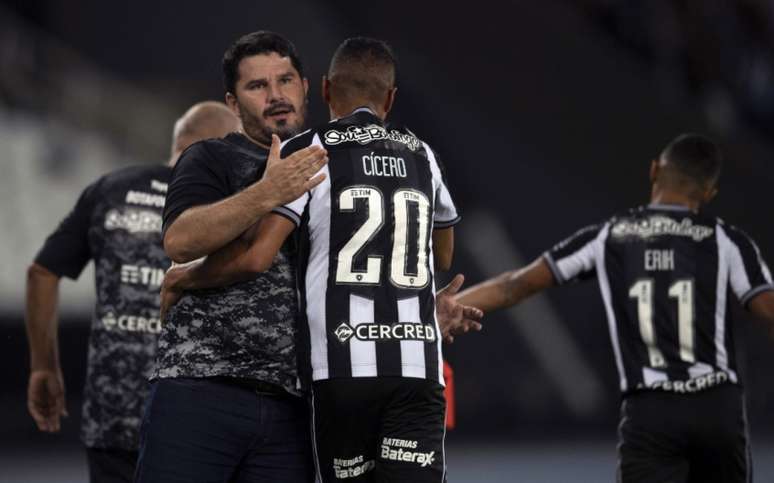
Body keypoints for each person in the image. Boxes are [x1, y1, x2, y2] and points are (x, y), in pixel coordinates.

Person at [140, 31, 480, 483]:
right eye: (257, 86)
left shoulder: (323, 156)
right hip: (203, 387)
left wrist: (418, 302)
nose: (276, 95)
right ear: (233, 102)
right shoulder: (211, 157)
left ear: (310, 87)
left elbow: (381, 257)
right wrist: (268, 191)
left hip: (295, 403)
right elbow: (180, 241)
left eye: (285, 80)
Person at [456, 133, 774, 483]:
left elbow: (513, 285)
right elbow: (768, 310)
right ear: (709, 193)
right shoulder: (727, 240)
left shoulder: (610, 237)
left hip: (651, 411)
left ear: (654, 171)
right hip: (717, 407)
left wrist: (444, 306)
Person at [24, 101, 241, 483]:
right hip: (192, 417)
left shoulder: (110, 190)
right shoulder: (225, 208)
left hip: (113, 414)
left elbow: (42, 272)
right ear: (218, 146)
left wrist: (44, 367)